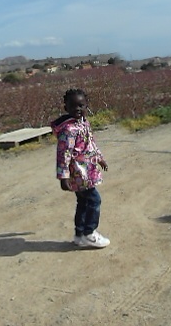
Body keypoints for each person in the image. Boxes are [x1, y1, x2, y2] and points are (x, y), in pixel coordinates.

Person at [53, 89, 111, 248]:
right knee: (94, 200)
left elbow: (91, 143)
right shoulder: (68, 130)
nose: (77, 109)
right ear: (66, 108)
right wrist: (63, 176)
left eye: (81, 105)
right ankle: (90, 233)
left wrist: (100, 158)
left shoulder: (84, 123)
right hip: (78, 172)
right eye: (73, 106)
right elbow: (63, 153)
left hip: (88, 170)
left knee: (83, 202)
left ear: (86, 106)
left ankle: (79, 235)